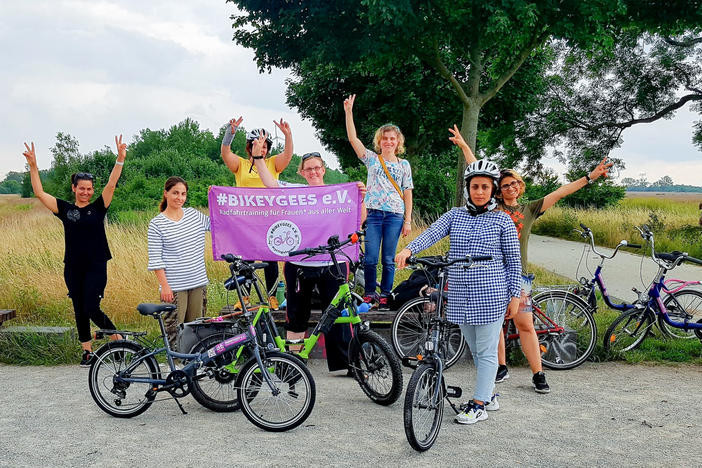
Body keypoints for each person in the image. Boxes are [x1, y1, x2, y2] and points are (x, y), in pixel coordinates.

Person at [451, 124, 612, 393]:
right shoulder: (494, 208)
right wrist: (465, 147)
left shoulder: (530, 209)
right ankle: (500, 367)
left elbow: (561, 192)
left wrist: (591, 176)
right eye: (504, 185)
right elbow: (478, 171)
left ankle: (538, 373)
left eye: (514, 183)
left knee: (524, 323)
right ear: (498, 191)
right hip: (489, 276)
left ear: (520, 186)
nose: (510, 187)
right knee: (493, 325)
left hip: (519, 276)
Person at [396, 160, 521, 425]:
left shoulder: (503, 222)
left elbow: (514, 262)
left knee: (487, 352)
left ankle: (479, 404)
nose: (479, 192)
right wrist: (409, 250)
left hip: (491, 294)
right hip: (461, 295)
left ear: (493, 189)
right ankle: (489, 394)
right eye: (475, 186)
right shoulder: (455, 215)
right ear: (467, 189)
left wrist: (515, 295)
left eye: (485, 187)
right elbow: (432, 233)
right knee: (476, 350)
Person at [250, 133, 364, 373]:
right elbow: (270, 184)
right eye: (308, 169)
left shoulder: (339, 192)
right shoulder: (294, 191)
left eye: (317, 168)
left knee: (338, 313)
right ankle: (293, 362)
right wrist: (259, 157)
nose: (313, 172)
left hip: (333, 262)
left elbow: (358, 220)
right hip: (300, 263)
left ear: (324, 170)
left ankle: (346, 363)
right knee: (295, 314)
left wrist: (361, 198)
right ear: (302, 172)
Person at [22, 137, 126, 367]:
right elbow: (39, 192)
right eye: (82, 188)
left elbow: (110, 185)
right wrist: (33, 166)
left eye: (89, 189)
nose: (86, 192)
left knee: (91, 306)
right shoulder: (65, 209)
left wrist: (119, 160)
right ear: (74, 188)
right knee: (79, 308)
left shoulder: (99, 207)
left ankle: (118, 339)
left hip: (97, 264)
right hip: (73, 266)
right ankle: (87, 352)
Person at [344, 94, 413, 310]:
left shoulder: (404, 165)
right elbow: (354, 140)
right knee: (371, 257)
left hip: (394, 215)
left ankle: (385, 294)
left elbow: (408, 191)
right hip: (374, 214)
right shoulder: (373, 159)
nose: (389, 142)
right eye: (385, 138)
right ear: (379, 141)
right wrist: (349, 113)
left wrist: (408, 220)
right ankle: (370, 294)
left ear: (398, 141)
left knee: (389, 258)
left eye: (392, 138)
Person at [220, 116, 294, 309]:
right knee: (245, 260)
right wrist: (230, 133)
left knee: (270, 260)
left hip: (269, 220)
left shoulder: (272, 164)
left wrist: (287, 135)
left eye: (264, 145)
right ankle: (243, 297)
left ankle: (272, 297)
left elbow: (288, 154)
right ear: (249, 146)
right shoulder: (241, 165)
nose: (261, 148)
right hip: (245, 222)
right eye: (256, 144)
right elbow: (225, 152)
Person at [147, 176, 211, 350]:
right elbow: (155, 259)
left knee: (197, 328)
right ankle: (174, 368)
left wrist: (215, 198)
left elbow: (217, 224)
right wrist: (165, 286)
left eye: (183, 194)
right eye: (175, 193)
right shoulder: (157, 224)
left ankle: (193, 369)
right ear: (166, 193)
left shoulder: (194, 215)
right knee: (175, 330)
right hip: (174, 287)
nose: (179, 198)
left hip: (198, 282)